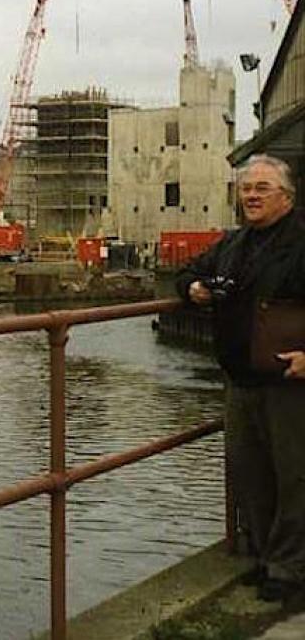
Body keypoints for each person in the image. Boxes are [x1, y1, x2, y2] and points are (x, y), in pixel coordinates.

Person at [176, 153, 305, 602]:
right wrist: (193, 289)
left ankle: (290, 568)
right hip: (242, 376)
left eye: (261, 189)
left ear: (286, 197)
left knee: (295, 475)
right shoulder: (233, 244)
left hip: (290, 378)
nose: (250, 195)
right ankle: (268, 557)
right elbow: (189, 272)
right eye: (246, 188)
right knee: (251, 470)